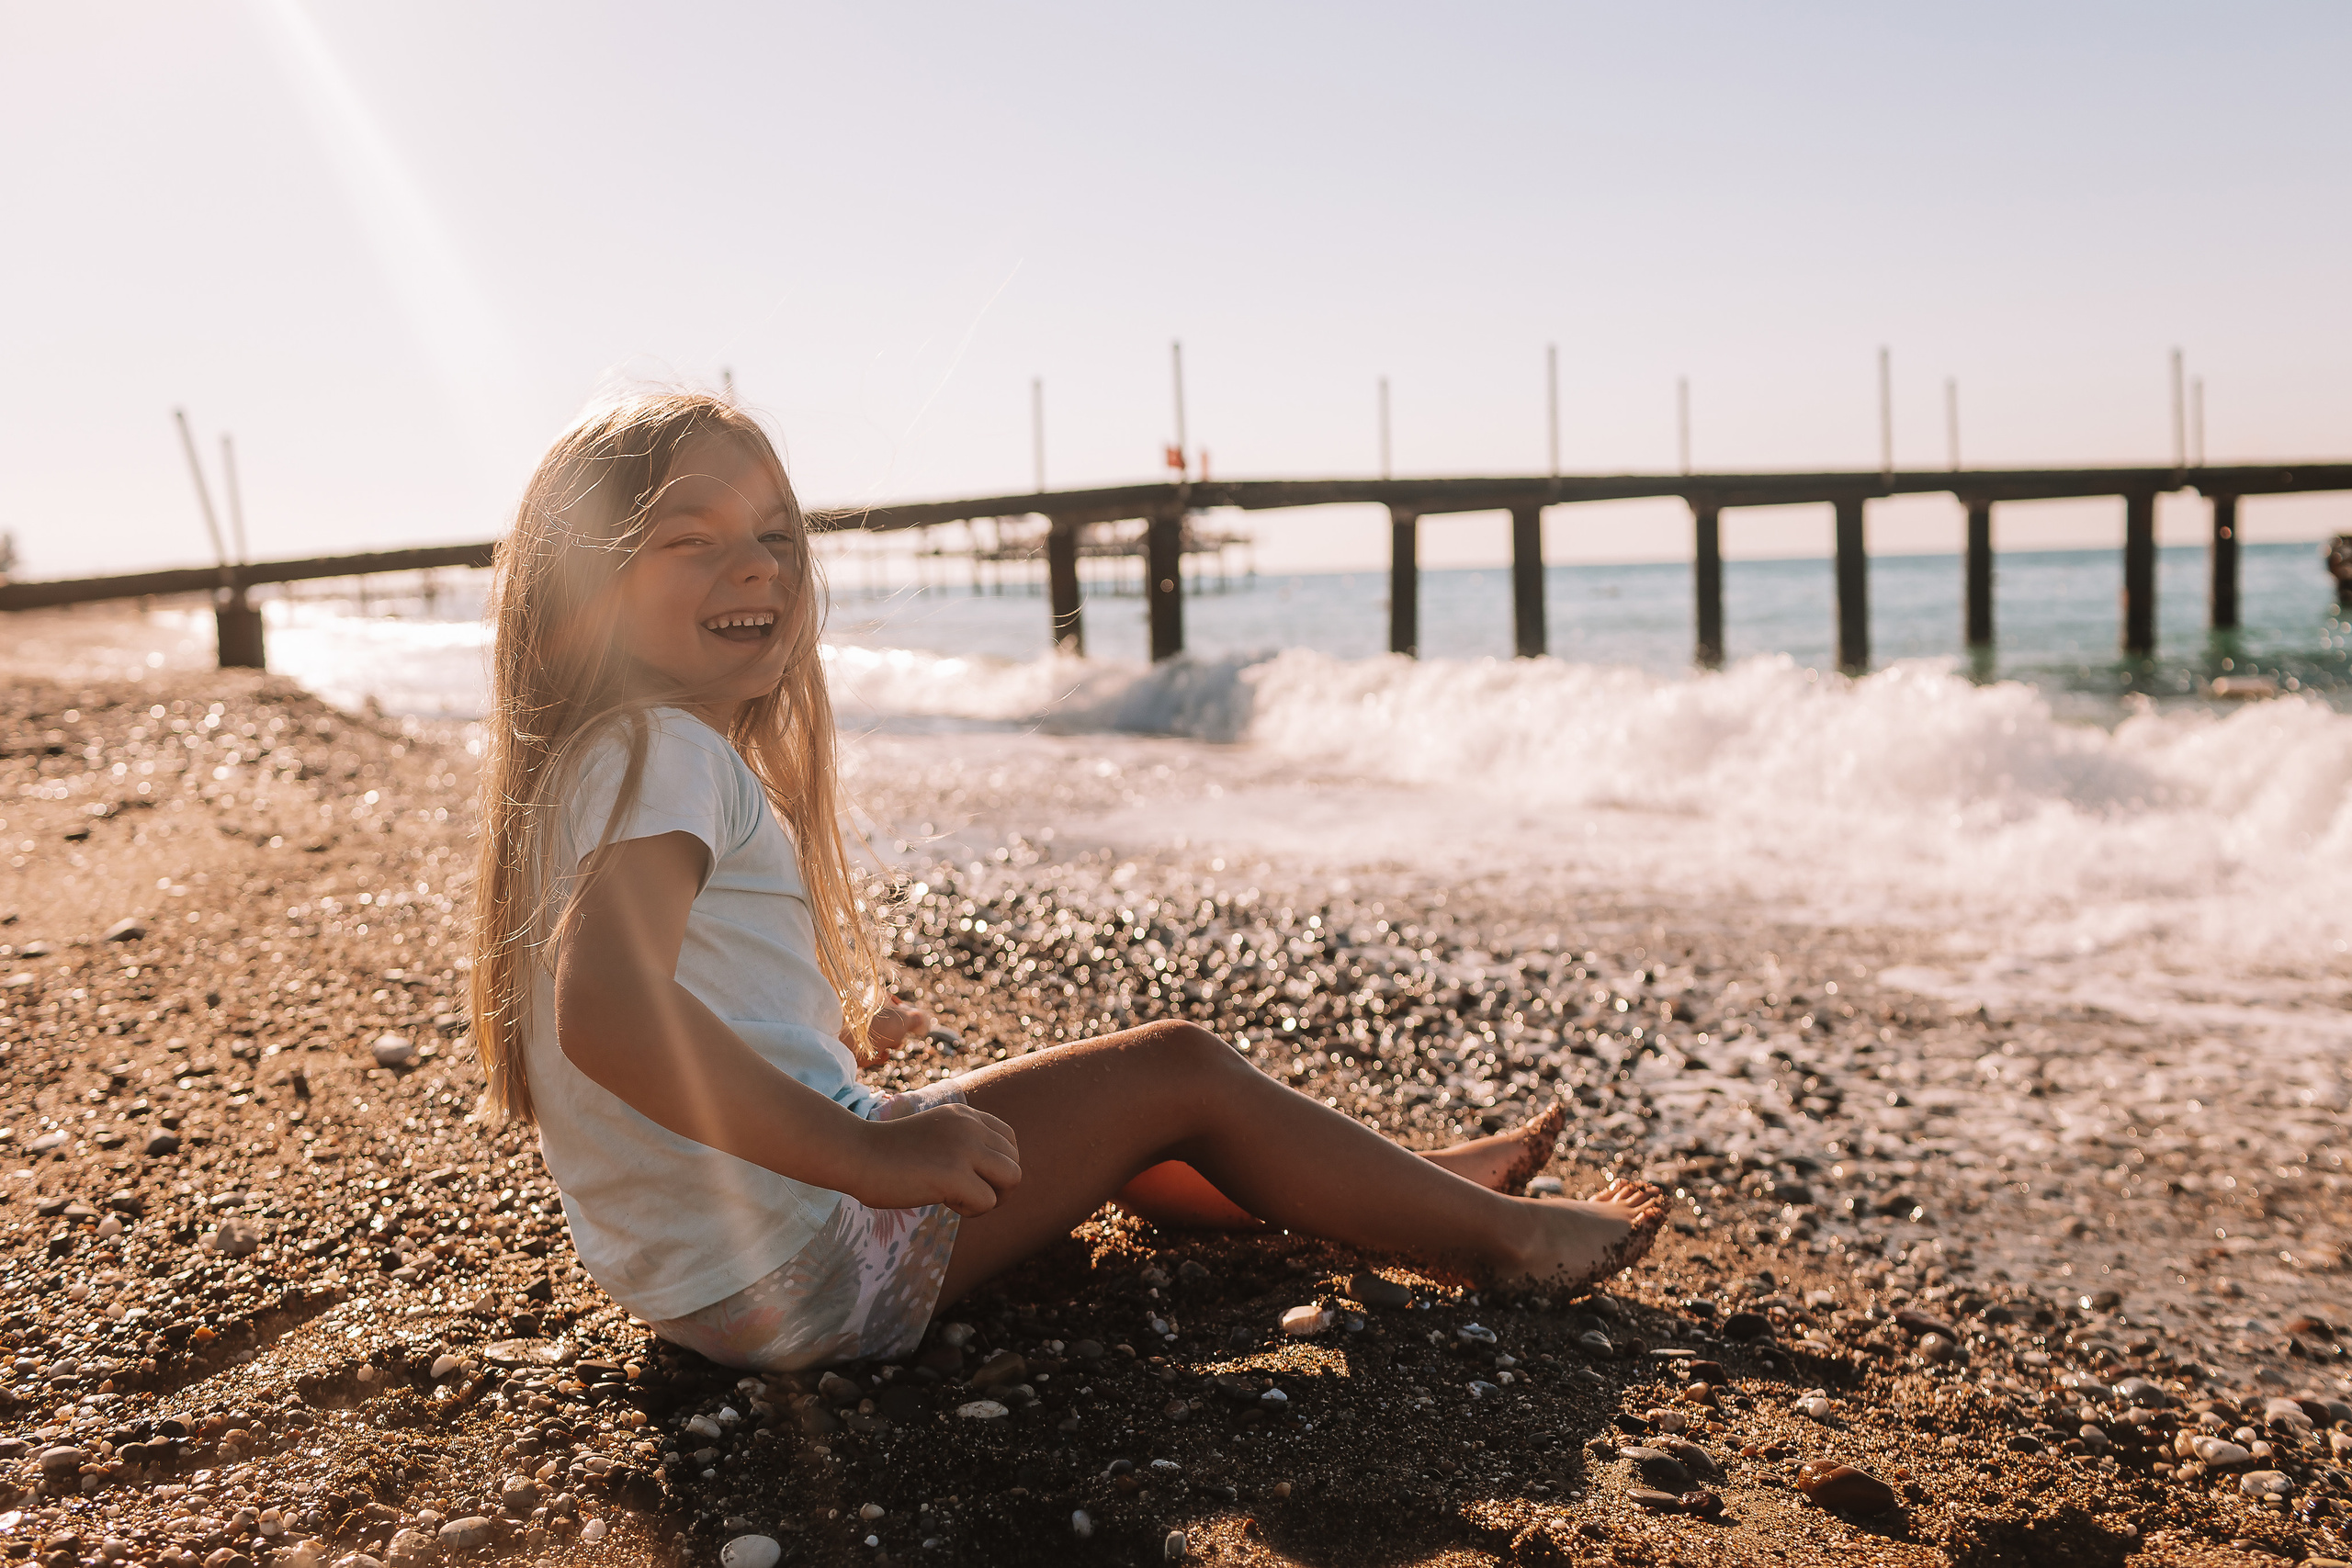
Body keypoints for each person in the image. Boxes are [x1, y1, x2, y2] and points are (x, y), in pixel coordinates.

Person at [468, 389, 1667, 1372]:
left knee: (1105, 1120)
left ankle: (1408, 1184)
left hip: (707, 1281)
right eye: (693, 539)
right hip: (804, 1263)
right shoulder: (667, 751)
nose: (757, 569)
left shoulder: (605, 759)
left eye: (776, 534)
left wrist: (820, 1045)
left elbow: (676, 1001)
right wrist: (875, 1159)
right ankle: (1508, 1241)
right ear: (586, 590)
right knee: (1178, 1071)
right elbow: (612, 1014)